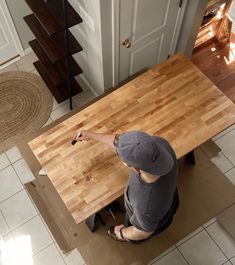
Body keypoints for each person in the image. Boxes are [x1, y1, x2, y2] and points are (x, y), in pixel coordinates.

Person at [73, 130, 179, 243]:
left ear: (135, 167)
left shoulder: (145, 205)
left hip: (151, 221)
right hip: (170, 197)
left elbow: (142, 232)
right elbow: (120, 143)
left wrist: (121, 233)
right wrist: (91, 135)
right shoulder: (160, 145)